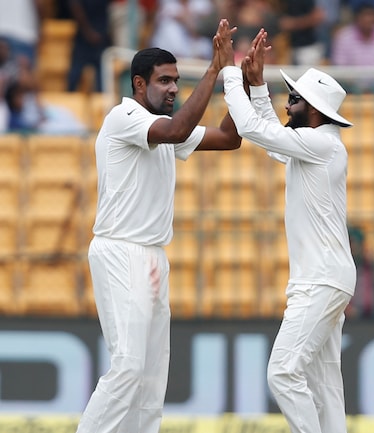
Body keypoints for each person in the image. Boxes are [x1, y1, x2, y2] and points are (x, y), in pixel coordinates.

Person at [76, 19, 241, 433]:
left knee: (151, 379)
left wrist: (242, 82)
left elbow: (229, 138)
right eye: (164, 80)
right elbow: (178, 129)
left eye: (176, 81)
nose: (172, 89)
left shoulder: (166, 124)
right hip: (120, 250)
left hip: (152, 256)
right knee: (129, 367)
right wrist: (212, 70)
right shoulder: (126, 116)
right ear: (138, 83)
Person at [221, 29, 356, 433]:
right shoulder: (312, 145)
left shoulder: (323, 144)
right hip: (322, 278)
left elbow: (252, 129)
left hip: (321, 279)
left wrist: (231, 72)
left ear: (314, 110)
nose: (288, 103)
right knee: (324, 385)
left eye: (294, 99)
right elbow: (276, 143)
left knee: (282, 372)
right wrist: (258, 84)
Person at [346, 225, 374, 319]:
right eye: (350, 243)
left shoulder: (373, 267)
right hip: (348, 320)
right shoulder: (343, 268)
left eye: (355, 243)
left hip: (372, 318)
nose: (352, 247)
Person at [67, 0, 111, 92]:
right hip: (83, 38)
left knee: (102, 78)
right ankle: (69, 100)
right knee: (74, 76)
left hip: (101, 37)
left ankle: (101, 101)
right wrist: (88, 32)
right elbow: (75, 6)